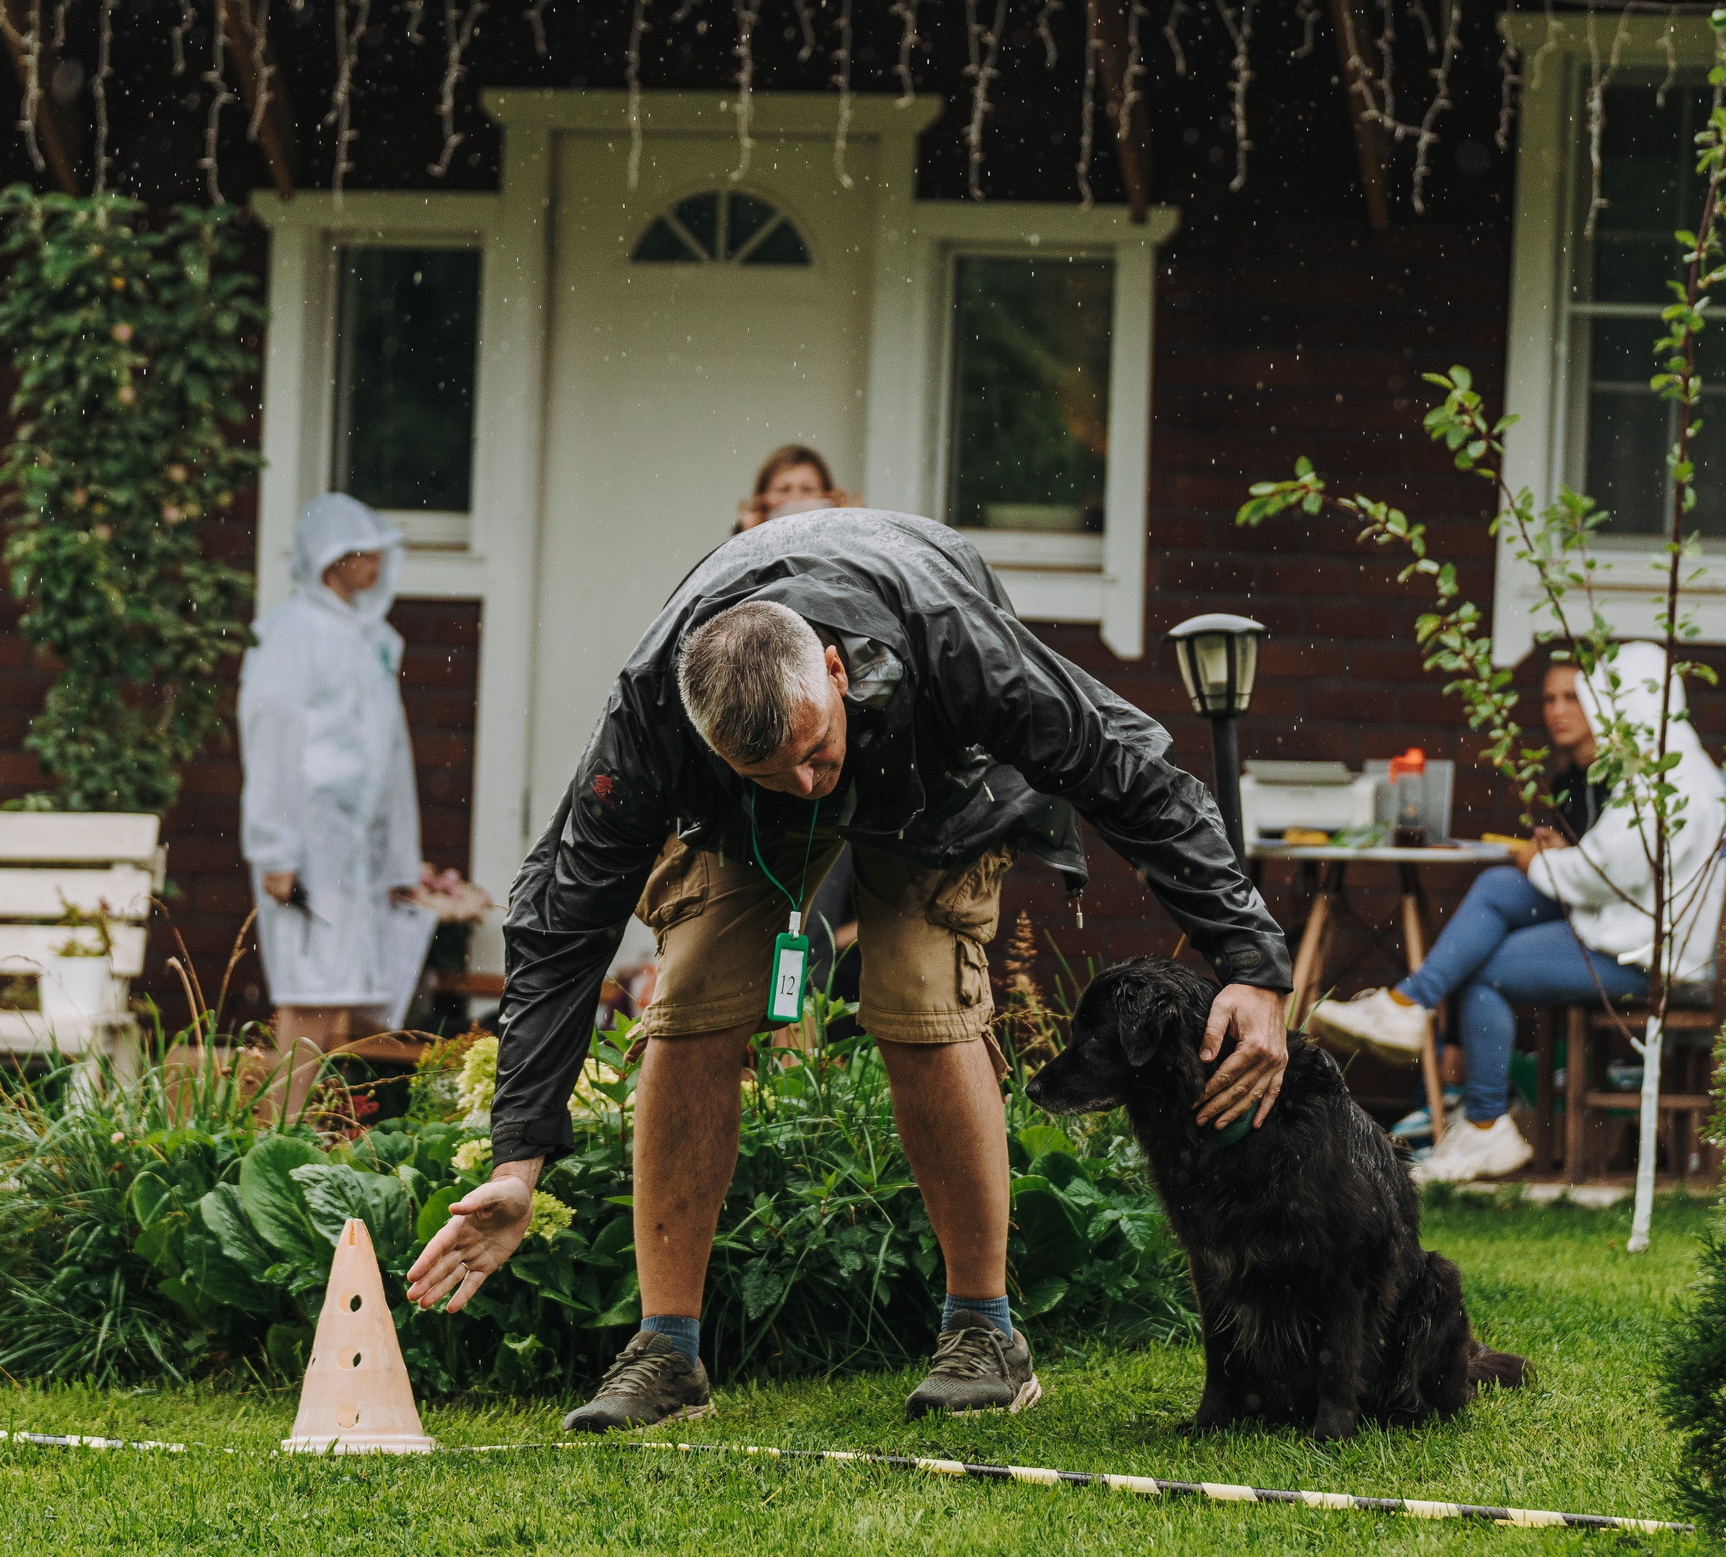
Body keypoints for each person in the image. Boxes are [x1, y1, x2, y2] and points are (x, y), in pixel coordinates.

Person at [402, 508, 1295, 1429]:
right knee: (690, 996)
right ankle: (665, 1352)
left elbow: (1127, 768)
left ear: (834, 669)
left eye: (813, 754)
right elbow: (561, 920)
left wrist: (1253, 961)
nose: (806, 786)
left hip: (936, 775)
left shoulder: (955, 646)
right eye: (770, 769)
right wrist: (518, 1163)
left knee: (917, 991)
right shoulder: (651, 719)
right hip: (742, 814)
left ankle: (983, 1333)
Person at [1307, 641, 1726, 1183]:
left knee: (1487, 967)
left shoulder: (1664, 781)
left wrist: (1540, 861)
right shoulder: (1673, 766)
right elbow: (1617, 863)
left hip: (1647, 958)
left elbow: (1601, 874)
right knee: (1500, 885)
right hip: (1633, 931)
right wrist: (1552, 861)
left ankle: (1480, 1116)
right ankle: (1413, 1010)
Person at [239, 493, 440, 1117]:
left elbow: (391, 756)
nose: (377, 565)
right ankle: (281, 1130)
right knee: (308, 992)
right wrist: (275, 848)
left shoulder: (367, 639)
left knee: (338, 992)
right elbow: (271, 736)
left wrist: (398, 860)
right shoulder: (291, 633)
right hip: (308, 842)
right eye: (364, 553)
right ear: (334, 559)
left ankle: (312, 1127)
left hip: (353, 848)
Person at [733, 444, 857, 534]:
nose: (796, 498)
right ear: (762, 499)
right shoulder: (742, 542)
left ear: (829, 496)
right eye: (783, 489)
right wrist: (748, 534)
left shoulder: (846, 534)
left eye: (807, 489)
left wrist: (852, 526)